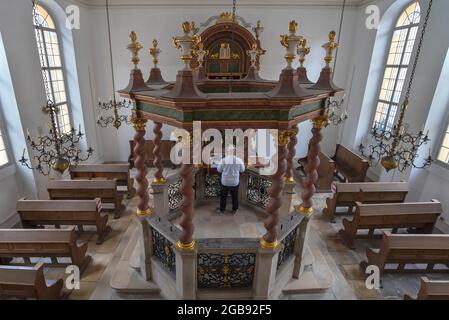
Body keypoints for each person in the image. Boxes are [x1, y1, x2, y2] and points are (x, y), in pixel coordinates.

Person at [216, 145, 245, 214]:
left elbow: (219, 170)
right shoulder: (239, 160)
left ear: (227, 151)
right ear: (234, 151)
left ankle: (222, 209)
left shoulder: (223, 160)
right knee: (235, 196)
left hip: (225, 182)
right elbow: (242, 170)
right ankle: (235, 209)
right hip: (234, 182)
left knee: (223, 196)